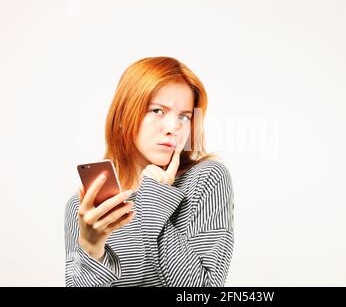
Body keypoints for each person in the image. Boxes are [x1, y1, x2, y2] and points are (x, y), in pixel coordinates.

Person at [64, 57, 234, 287]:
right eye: (158, 111)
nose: (173, 128)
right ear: (125, 116)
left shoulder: (206, 178)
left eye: (184, 117)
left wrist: (155, 199)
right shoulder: (85, 207)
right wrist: (91, 248)